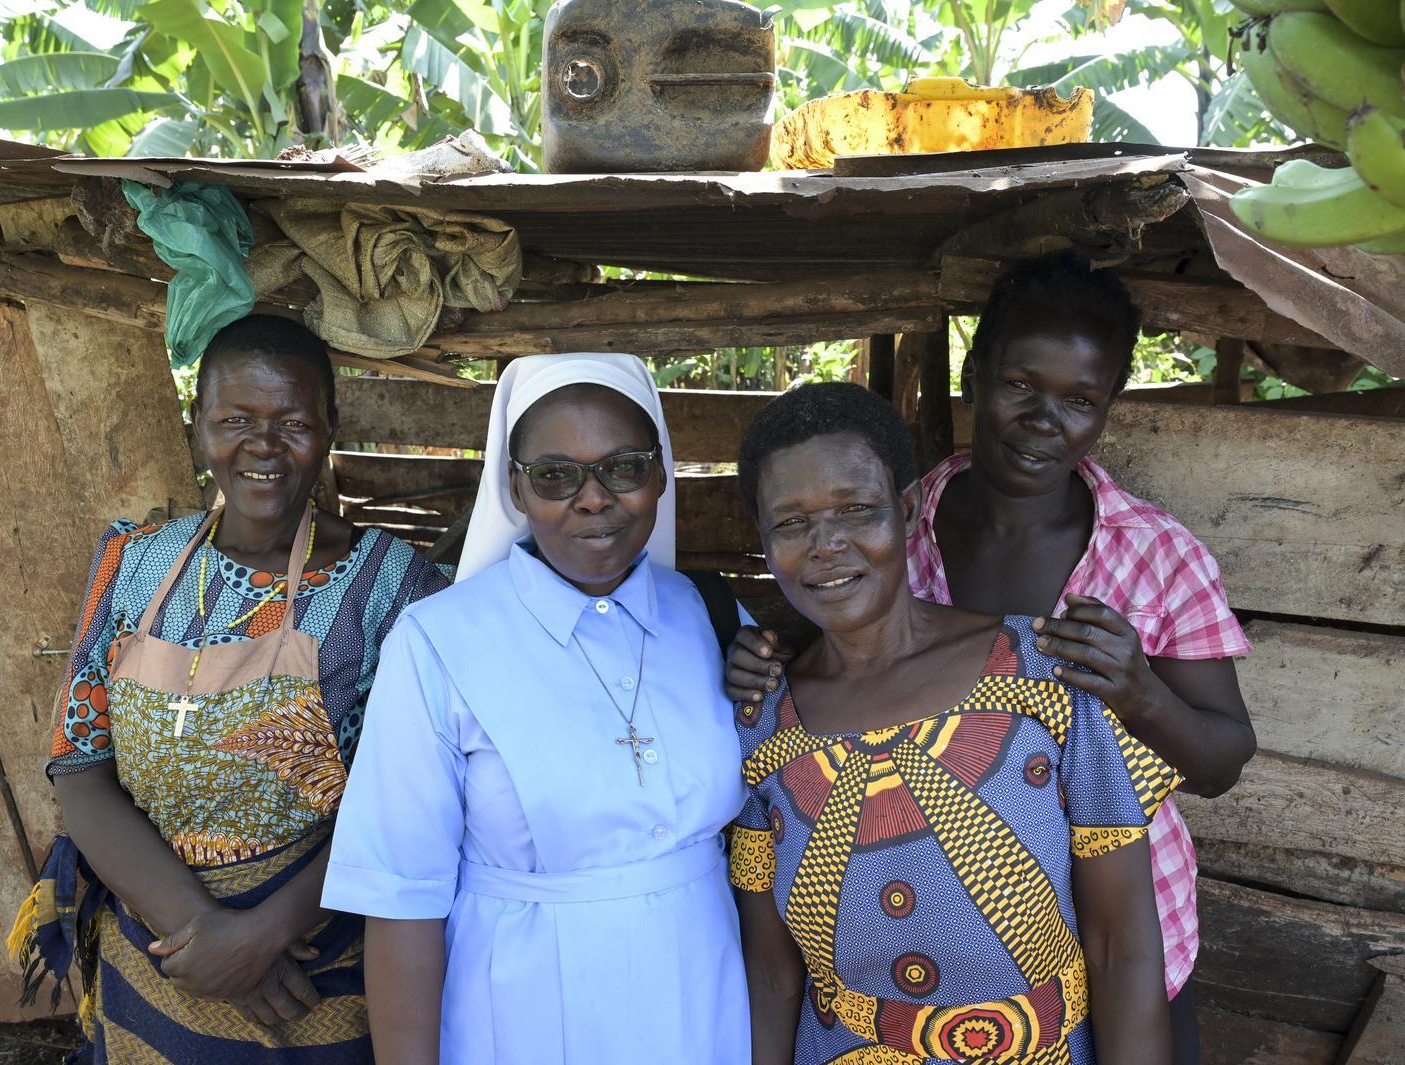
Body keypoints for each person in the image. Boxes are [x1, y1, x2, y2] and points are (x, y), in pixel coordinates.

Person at [727, 255, 1254, 1064]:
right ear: (975, 374)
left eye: (1080, 400)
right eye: (1019, 385)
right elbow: (851, 623)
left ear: (1110, 406)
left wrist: (1140, 693)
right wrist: (770, 653)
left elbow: (1221, 760)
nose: (1043, 419)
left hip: (1128, 933)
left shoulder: (1155, 555)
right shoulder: (904, 510)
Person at [11, 314, 450, 1062]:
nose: (263, 446)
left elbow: (410, 800)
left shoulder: (396, 588)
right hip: (154, 960)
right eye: (235, 420)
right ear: (197, 426)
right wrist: (204, 937)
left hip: (317, 970)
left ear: (330, 428)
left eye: (293, 422)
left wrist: (263, 935)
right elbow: (79, 768)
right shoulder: (135, 564)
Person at [321, 353, 751, 1065]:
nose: (592, 497)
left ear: (662, 471)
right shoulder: (438, 644)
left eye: (624, 466)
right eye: (555, 474)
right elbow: (402, 900)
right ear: (515, 486)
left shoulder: (711, 617)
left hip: (703, 1000)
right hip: (523, 1014)